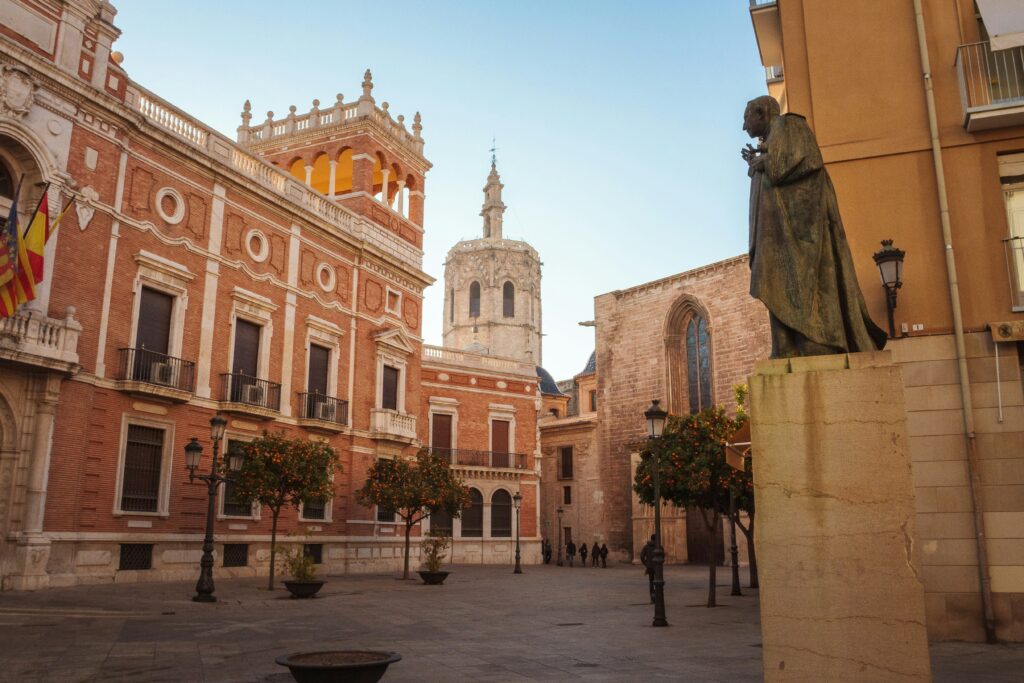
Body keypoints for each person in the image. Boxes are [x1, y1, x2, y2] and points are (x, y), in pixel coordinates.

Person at [742, 95, 886, 359]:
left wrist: (763, 162)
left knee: (798, 282)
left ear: (762, 113)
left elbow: (803, 161)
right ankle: (784, 347)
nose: (744, 127)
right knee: (774, 282)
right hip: (777, 232)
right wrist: (758, 162)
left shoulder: (790, 125)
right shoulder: (774, 137)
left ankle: (816, 339)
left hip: (798, 233)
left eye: (746, 118)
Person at [640, 535, 655, 603]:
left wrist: (646, 563)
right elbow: (663, 555)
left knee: (651, 582)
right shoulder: (658, 546)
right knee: (659, 582)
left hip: (650, 567)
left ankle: (652, 597)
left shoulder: (646, 546)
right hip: (657, 567)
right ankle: (657, 597)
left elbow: (642, 556)